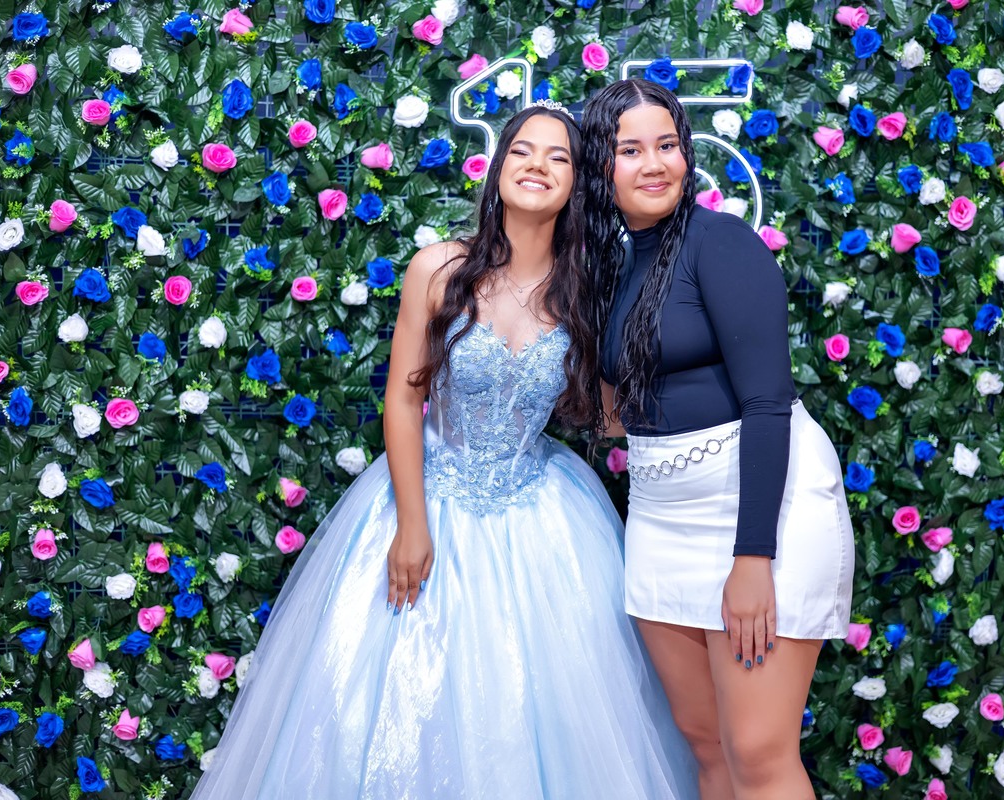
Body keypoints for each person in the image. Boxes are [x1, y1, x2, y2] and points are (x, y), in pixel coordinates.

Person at [188, 102, 696, 799]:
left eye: (558, 156)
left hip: (541, 516)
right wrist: (413, 524)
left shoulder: (587, 291)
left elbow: (609, 414)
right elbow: (404, 401)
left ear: (578, 183)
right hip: (431, 496)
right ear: (499, 168)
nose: (537, 166)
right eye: (522, 151)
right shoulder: (440, 268)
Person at [581, 78, 855, 800]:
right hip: (661, 513)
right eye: (630, 149)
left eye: (667, 145)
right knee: (706, 745)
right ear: (599, 164)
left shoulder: (722, 243)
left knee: (758, 753)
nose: (654, 164)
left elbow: (767, 405)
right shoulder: (614, 264)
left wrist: (753, 560)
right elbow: (614, 409)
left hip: (758, 507)